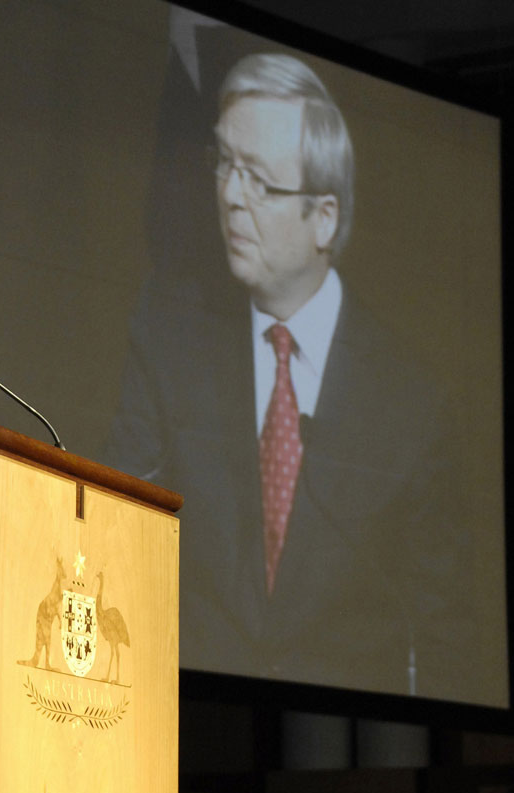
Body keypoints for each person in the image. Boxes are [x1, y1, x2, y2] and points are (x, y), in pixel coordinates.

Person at [108, 53, 460, 699]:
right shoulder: (167, 334)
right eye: (225, 164)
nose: (231, 196)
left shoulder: (412, 402)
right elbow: (119, 544)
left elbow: (445, 637)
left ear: (324, 217)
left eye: (261, 182)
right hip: (182, 716)